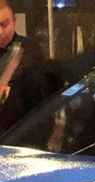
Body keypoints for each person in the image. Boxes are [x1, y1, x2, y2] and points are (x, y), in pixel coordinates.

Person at [0, 0, 56, 134]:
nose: (0, 32)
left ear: (14, 21)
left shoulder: (30, 50)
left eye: (4, 24)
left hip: (20, 131)